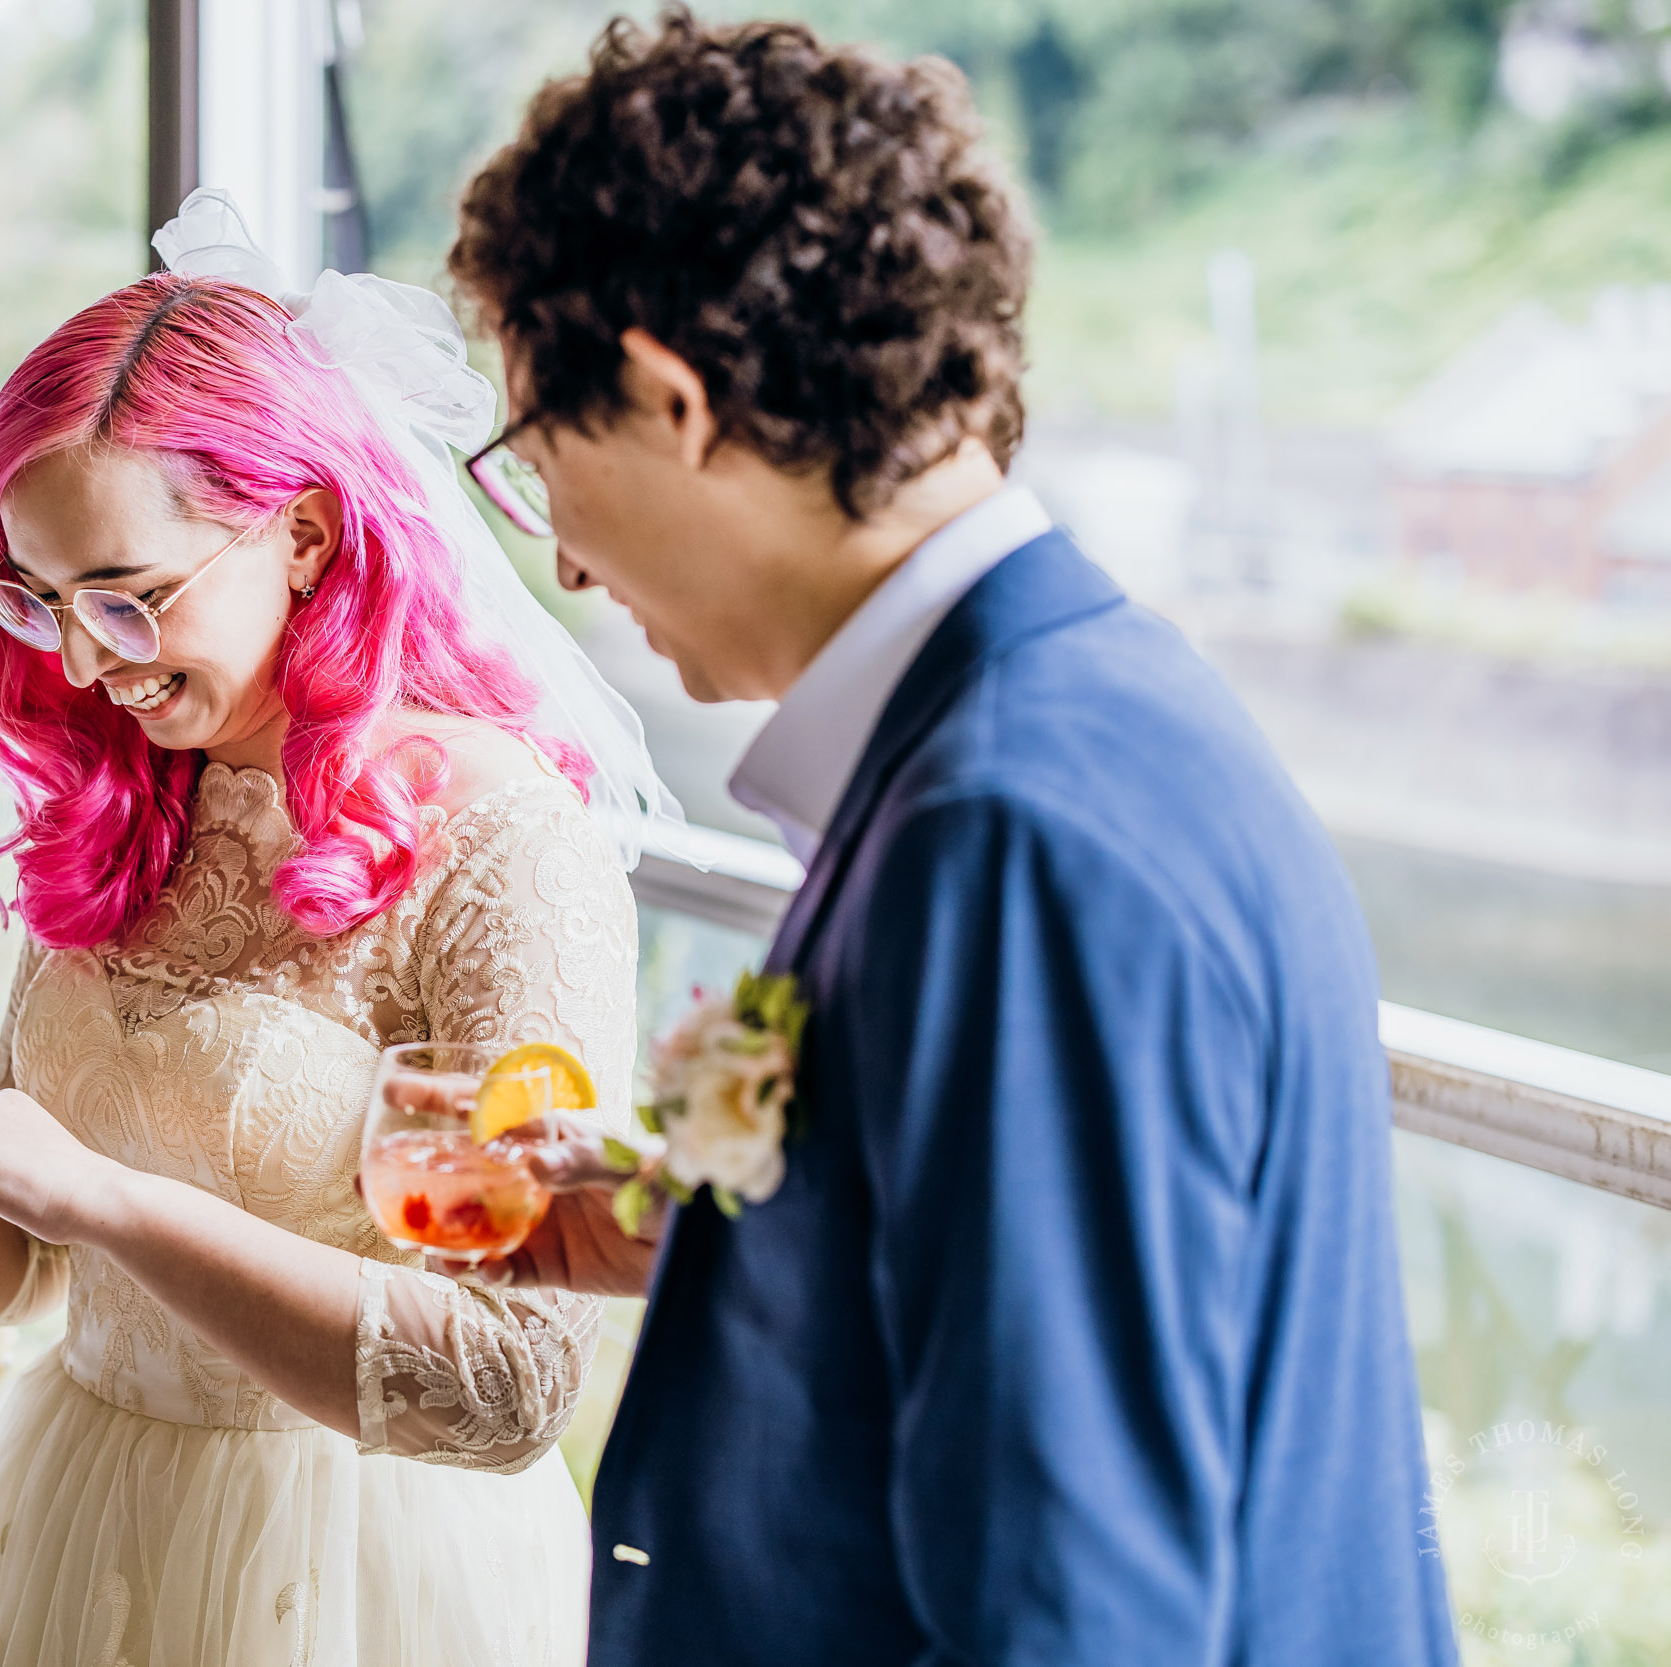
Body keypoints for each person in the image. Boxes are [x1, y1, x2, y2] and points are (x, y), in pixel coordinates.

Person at [443, 13, 1459, 1666]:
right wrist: (719, 1229)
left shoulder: (1013, 837)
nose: (559, 561)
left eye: (529, 455)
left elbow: (1073, 1605)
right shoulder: (1084, 712)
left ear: (665, 396)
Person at [0, 193, 676, 1666]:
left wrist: (105, 1203)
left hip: (358, 1567)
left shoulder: (497, 845)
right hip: (79, 1501)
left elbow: (513, 1379)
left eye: (131, 601)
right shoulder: (132, 800)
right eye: (44, 602)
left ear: (310, 536)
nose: (85, 661)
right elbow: (21, 1283)